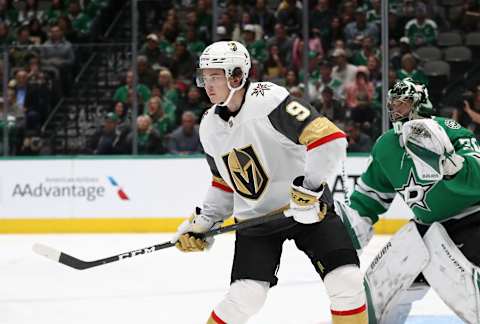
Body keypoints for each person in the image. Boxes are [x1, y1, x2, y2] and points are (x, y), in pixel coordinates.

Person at [170, 41, 367, 324]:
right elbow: (225, 183)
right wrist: (204, 224)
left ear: (237, 76)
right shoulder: (209, 127)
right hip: (257, 222)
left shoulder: (269, 99)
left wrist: (309, 190)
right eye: (205, 77)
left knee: (346, 281)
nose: (208, 85)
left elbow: (330, 139)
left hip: (310, 214)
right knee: (245, 297)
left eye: (216, 76)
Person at [337, 78, 480, 323]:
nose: (396, 110)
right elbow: (370, 197)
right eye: (393, 104)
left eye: (403, 104)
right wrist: (347, 231)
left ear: (420, 104)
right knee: (377, 293)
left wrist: (456, 167)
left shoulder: (448, 128)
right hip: (425, 230)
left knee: (469, 294)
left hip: (472, 220)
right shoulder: (386, 146)